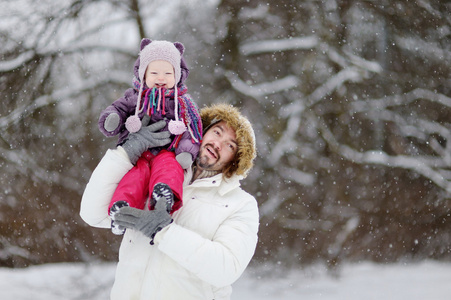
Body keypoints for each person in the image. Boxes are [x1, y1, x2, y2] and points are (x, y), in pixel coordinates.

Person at [80, 103, 259, 300]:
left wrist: (163, 231)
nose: (218, 144)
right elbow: (92, 214)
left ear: (236, 159)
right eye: (217, 132)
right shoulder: (158, 173)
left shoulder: (240, 205)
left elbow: (226, 268)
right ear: (202, 130)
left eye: (230, 145)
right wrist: (126, 153)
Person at [97, 38, 202, 235]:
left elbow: (192, 130)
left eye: (168, 73)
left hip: (168, 151)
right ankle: (122, 208)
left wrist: (186, 151)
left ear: (177, 75)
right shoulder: (135, 97)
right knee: (135, 176)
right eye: (154, 72)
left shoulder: (183, 103)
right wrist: (113, 119)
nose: (161, 78)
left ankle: (164, 195)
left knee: (170, 168)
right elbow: (118, 108)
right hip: (140, 152)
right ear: (143, 74)